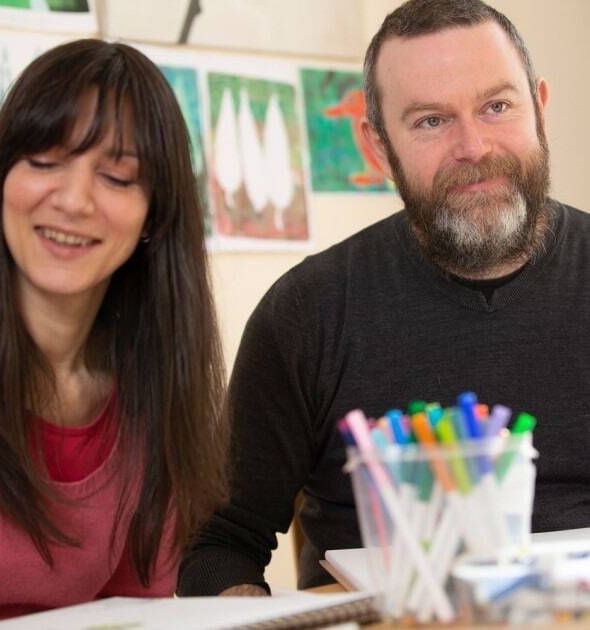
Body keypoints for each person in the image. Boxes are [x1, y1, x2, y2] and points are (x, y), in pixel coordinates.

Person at [177, 0, 590, 596]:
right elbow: (217, 543)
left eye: (497, 106)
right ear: (376, 147)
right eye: (430, 121)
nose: (473, 146)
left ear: (540, 110)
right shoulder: (306, 314)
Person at [0, 39, 227, 624]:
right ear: (1, 176)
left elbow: (134, 611)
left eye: (116, 176)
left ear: (155, 214)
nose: (74, 201)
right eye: (44, 161)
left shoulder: (154, 381)